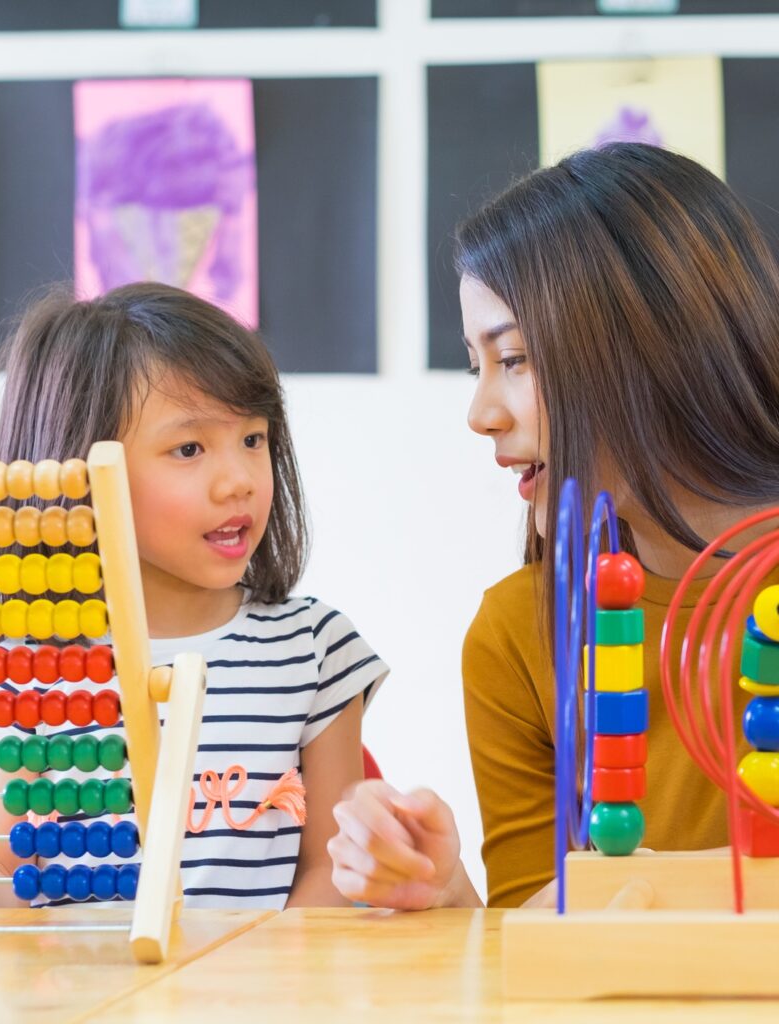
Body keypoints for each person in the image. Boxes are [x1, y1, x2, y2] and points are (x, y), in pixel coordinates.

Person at [328, 142, 779, 910]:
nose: (480, 414)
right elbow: (542, 940)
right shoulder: (518, 635)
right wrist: (449, 896)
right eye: (477, 365)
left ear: (660, 348)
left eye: (517, 357)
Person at [0, 282, 387, 909]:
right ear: (80, 470)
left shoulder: (314, 648)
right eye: (190, 448)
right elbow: (3, 902)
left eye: (253, 439)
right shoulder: (29, 668)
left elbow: (333, 876)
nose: (239, 482)